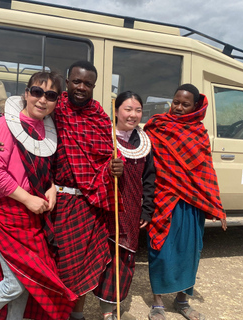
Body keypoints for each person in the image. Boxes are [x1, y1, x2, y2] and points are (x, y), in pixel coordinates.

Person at [0, 60, 124, 320]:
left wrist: (114, 167)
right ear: (68, 83)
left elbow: (105, 156)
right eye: (77, 81)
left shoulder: (99, 117)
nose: (82, 87)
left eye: (88, 84)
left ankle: (74, 315)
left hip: (84, 204)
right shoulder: (55, 112)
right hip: (49, 208)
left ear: (94, 86)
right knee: (48, 271)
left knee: (79, 266)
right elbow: (4, 149)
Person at [0, 71, 77, 320]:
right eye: (37, 92)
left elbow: (47, 170)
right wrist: (27, 198)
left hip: (31, 216)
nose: (42, 100)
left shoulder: (48, 128)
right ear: (26, 94)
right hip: (7, 211)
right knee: (14, 284)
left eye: (50, 95)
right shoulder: (6, 124)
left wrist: (52, 188)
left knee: (28, 280)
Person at [143, 84, 228, 320]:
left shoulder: (199, 133)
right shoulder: (157, 127)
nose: (179, 107)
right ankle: (157, 302)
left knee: (189, 252)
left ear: (195, 107)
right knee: (160, 250)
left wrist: (216, 206)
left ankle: (182, 300)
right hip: (163, 199)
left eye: (185, 104)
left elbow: (205, 172)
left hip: (191, 203)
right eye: (176, 102)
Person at [92, 91, 155, 320]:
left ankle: (114, 304)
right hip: (106, 208)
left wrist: (147, 208)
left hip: (131, 210)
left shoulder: (145, 141)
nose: (133, 115)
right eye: (128, 109)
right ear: (116, 110)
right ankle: (106, 310)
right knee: (106, 257)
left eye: (138, 110)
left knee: (126, 258)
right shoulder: (104, 136)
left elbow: (150, 178)